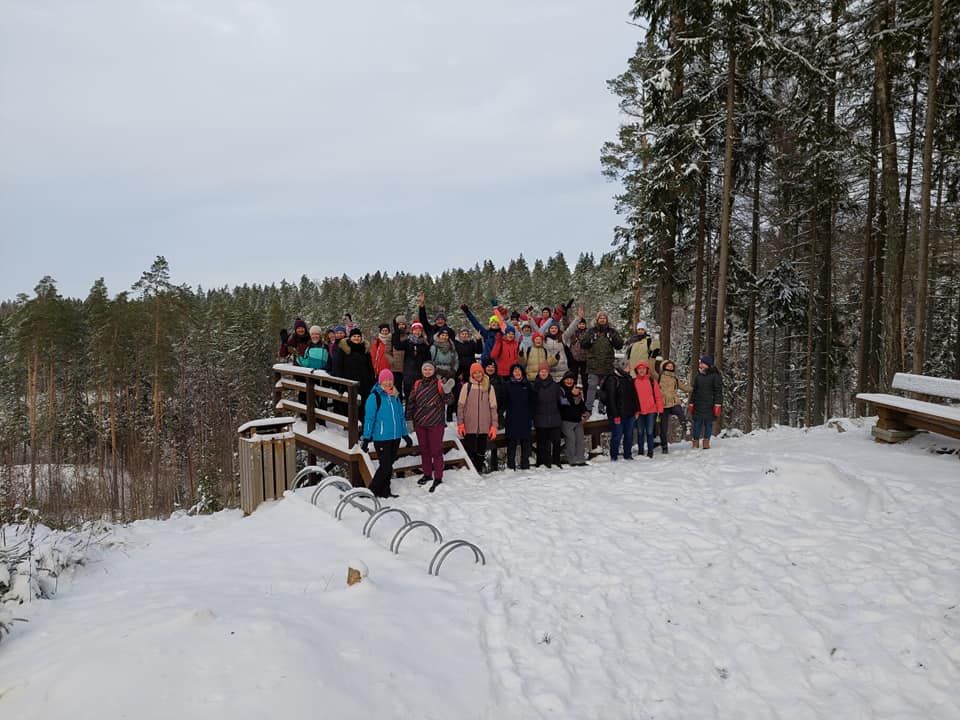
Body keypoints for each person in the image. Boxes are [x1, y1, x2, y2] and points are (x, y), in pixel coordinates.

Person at [361, 369, 412, 498]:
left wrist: (405, 435)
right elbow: (369, 419)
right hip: (382, 437)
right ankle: (371, 492)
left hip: (395, 437)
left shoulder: (395, 395)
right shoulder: (375, 397)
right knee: (385, 466)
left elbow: (400, 416)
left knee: (388, 466)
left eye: (390, 380)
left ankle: (385, 491)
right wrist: (366, 438)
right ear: (380, 381)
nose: (388, 383)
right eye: (385, 380)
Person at [405, 362, 454, 493]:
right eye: (425, 369)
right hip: (420, 422)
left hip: (436, 422)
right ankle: (427, 474)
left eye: (430, 369)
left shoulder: (439, 383)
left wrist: (447, 391)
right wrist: (409, 419)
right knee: (424, 450)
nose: (427, 371)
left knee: (436, 451)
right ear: (422, 371)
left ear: (434, 371)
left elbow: (449, 401)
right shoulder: (417, 384)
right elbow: (411, 402)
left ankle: (438, 476)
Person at [457, 363, 498, 473]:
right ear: (472, 374)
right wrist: (460, 423)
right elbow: (460, 406)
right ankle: (471, 472)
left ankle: (479, 470)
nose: (477, 374)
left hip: (485, 425)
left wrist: (494, 426)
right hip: (470, 425)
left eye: (479, 372)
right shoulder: (467, 386)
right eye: (475, 373)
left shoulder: (489, 387)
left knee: (481, 450)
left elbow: (493, 407)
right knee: (470, 449)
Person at [581, 312, 624, 414]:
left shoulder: (612, 331)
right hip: (593, 365)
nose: (602, 319)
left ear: (607, 320)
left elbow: (619, 345)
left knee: (604, 388)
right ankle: (588, 407)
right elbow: (583, 344)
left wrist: (612, 339)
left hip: (607, 364)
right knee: (591, 387)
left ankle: (602, 406)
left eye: (604, 317)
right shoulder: (591, 331)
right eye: (600, 317)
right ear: (597, 319)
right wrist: (591, 339)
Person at [332, 327, 376, 420]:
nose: (356, 338)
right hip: (350, 384)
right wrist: (341, 384)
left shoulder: (364, 350)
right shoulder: (344, 349)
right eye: (354, 336)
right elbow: (339, 367)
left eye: (358, 336)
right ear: (350, 337)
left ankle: (363, 428)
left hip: (364, 384)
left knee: (364, 407)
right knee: (351, 408)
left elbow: (370, 368)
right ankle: (352, 429)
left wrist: (372, 381)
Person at [530, 364, 563, 468]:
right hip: (540, 417)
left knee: (556, 441)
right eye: (541, 371)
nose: (543, 373)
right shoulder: (534, 385)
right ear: (538, 373)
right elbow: (532, 402)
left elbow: (560, 401)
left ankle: (556, 461)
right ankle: (542, 462)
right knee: (542, 442)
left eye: (545, 371)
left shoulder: (555, 386)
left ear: (548, 372)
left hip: (554, 417)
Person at [604, 360, 638, 461]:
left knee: (629, 435)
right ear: (622, 367)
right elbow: (611, 399)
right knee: (617, 435)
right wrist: (615, 415)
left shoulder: (629, 378)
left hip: (630, 412)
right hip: (618, 413)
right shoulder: (612, 379)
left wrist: (637, 409)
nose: (630, 368)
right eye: (628, 366)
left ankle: (627, 454)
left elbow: (634, 396)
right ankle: (613, 456)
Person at [503, 364, 533, 470]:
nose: (517, 373)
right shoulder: (507, 385)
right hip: (512, 417)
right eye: (515, 371)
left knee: (526, 442)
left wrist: (531, 415)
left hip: (525, 417)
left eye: (519, 370)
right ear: (512, 373)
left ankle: (525, 464)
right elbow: (504, 401)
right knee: (512, 443)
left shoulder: (527, 385)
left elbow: (532, 400)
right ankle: (511, 466)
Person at [690, 355, 723, 449]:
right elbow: (695, 390)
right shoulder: (698, 375)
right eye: (700, 363)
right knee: (697, 425)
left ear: (708, 364)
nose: (700, 364)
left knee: (708, 424)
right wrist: (691, 402)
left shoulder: (715, 376)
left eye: (702, 363)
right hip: (698, 404)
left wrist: (717, 404)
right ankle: (695, 443)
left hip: (710, 404)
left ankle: (706, 442)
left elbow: (718, 391)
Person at [658, 359, 690, 454]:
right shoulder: (659, 377)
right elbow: (651, 372)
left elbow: (684, 387)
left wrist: (695, 388)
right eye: (668, 366)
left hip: (674, 402)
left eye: (672, 366)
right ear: (664, 366)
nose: (670, 367)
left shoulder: (675, 378)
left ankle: (685, 426)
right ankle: (664, 446)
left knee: (679, 411)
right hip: (663, 405)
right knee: (663, 428)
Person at [633, 363, 664, 458]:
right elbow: (631, 398)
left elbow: (658, 396)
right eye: (639, 368)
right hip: (639, 411)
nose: (641, 370)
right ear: (636, 370)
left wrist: (660, 409)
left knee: (650, 432)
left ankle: (650, 452)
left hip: (651, 410)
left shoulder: (652, 381)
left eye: (643, 368)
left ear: (647, 369)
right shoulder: (633, 382)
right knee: (640, 432)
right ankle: (641, 452)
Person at [396, 321, 431, 398]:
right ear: (412, 331)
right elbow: (397, 346)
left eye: (419, 330)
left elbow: (428, 359)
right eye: (415, 330)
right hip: (408, 373)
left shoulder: (425, 344)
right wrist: (398, 331)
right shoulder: (407, 342)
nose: (417, 332)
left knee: (419, 395)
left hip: (420, 374)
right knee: (409, 395)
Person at [559, 371, 587, 466]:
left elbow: (581, 403)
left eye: (571, 379)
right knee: (571, 440)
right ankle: (571, 460)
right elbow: (563, 403)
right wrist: (571, 394)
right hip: (566, 421)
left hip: (577, 420)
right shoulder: (561, 390)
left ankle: (581, 459)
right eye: (567, 379)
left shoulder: (577, 389)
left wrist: (584, 411)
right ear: (563, 380)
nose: (569, 381)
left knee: (580, 440)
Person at [484, 359, 507, 471]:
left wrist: (501, 411)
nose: (490, 369)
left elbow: (503, 397)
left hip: (497, 415)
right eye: (488, 366)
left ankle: (497, 463)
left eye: (492, 367)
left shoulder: (500, 380)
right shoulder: (480, 380)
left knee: (497, 439)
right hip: (484, 415)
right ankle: (486, 463)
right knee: (486, 440)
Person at [562, 313, 589, 390]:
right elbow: (566, 325)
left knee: (585, 379)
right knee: (573, 377)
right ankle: (573, 393)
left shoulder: (588, 333)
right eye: (580, 324)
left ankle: (585, 395)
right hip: (574, 358)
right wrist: (565, 315)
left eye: (583, 324)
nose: (581, 325)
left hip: (585, 359)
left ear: (585, 325)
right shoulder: (573, 333)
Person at [391, 315, 408, 402]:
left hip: (407, 366)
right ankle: (397, 404)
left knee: (407, 387)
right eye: (399, 324)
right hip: (395, 367)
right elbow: (387, 352)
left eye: (403, 324)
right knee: (397, 389)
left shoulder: (409, 336)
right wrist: (392, 361)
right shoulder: (393, 336)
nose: (401, 326)